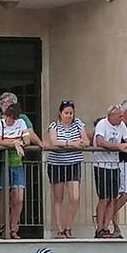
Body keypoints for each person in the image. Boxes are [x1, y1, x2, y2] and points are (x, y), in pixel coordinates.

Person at [0, 93, 36, 240]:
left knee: (18, 198)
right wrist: (15, 143)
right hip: (2, 164)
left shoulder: (22, 121)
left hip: (17, 164)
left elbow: (27, 139)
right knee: (0, 198)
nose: (11, 120)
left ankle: (14, 228)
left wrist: (21, 143)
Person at [43, 100, 87, 239]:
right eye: (66, 113)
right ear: (60, 113)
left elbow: (86, 140)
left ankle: (69, 227)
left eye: (71, 113)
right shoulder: (54, 125)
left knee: (75, 197)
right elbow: (54, 141)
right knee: (58, 198)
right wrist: (72, 143)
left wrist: (81, 143)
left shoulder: (78, 124)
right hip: (57, 163)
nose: (69, 116)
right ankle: (60, 229)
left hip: (73, 163)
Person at [91, 103, 127, 238]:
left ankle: (106, 226)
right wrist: (119, 146)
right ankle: (99, 228)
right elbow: (101, 142)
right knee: (104, 198)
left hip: (115, 165)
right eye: (120, 116)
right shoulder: (102, 124)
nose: (122, 118)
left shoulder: (121, 125)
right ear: (112, 115)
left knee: (113, 199)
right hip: (102, 165)